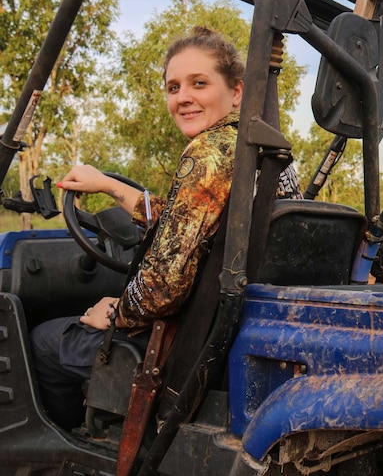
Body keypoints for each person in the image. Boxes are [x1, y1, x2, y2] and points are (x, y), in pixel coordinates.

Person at [30, 26, 248, 431]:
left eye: (199, 83)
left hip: (180, 345)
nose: (182, 97)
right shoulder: (258, 150)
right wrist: (111, 187)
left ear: (236, 91)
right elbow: (188, 220)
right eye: (173, 87)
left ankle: (78, 447)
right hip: (218, 331)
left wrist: (117, 312)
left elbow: (162, 289)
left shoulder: (206, 154)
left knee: (43, 341)